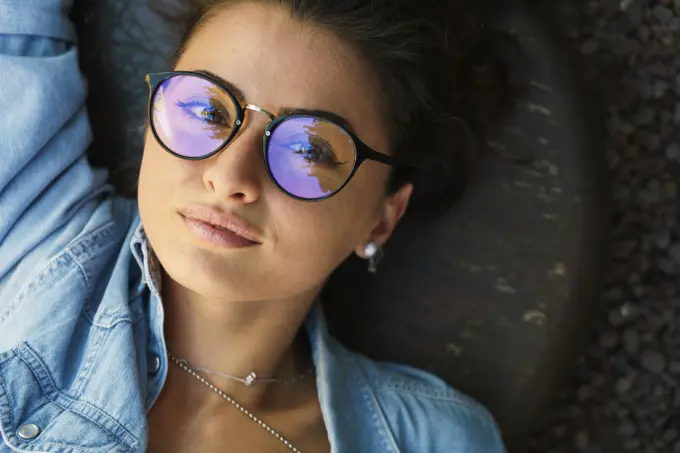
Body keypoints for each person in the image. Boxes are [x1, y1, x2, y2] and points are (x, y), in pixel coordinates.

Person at [0, 0, 522, 451]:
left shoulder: (433, 441)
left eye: (308, 148)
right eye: (206, 110)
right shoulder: (33, 234)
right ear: (150, 118)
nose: (230, 177)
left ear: (382, 217)